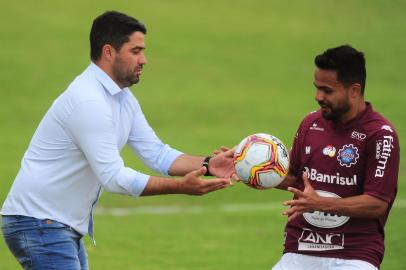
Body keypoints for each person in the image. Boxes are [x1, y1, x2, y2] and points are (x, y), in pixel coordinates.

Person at [1, 11, 233, 269]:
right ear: (109, 52)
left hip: (52, 224)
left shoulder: (122, 99)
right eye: (135, 51)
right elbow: (114, 179)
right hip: (41, 223)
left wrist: (209, 164)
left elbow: (156, 153)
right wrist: (178, 187)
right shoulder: (89, 101)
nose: (144, 60)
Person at [272, 45, 399, 270]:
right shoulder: (310, 124)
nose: (318, 96)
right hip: (302, 247)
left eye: (327, 90)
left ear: (354, 90)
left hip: (355, 253)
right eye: (317, 88)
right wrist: (248, 167)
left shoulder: (380, 134)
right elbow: (292, 176)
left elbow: (377, 203)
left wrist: (319, 204)